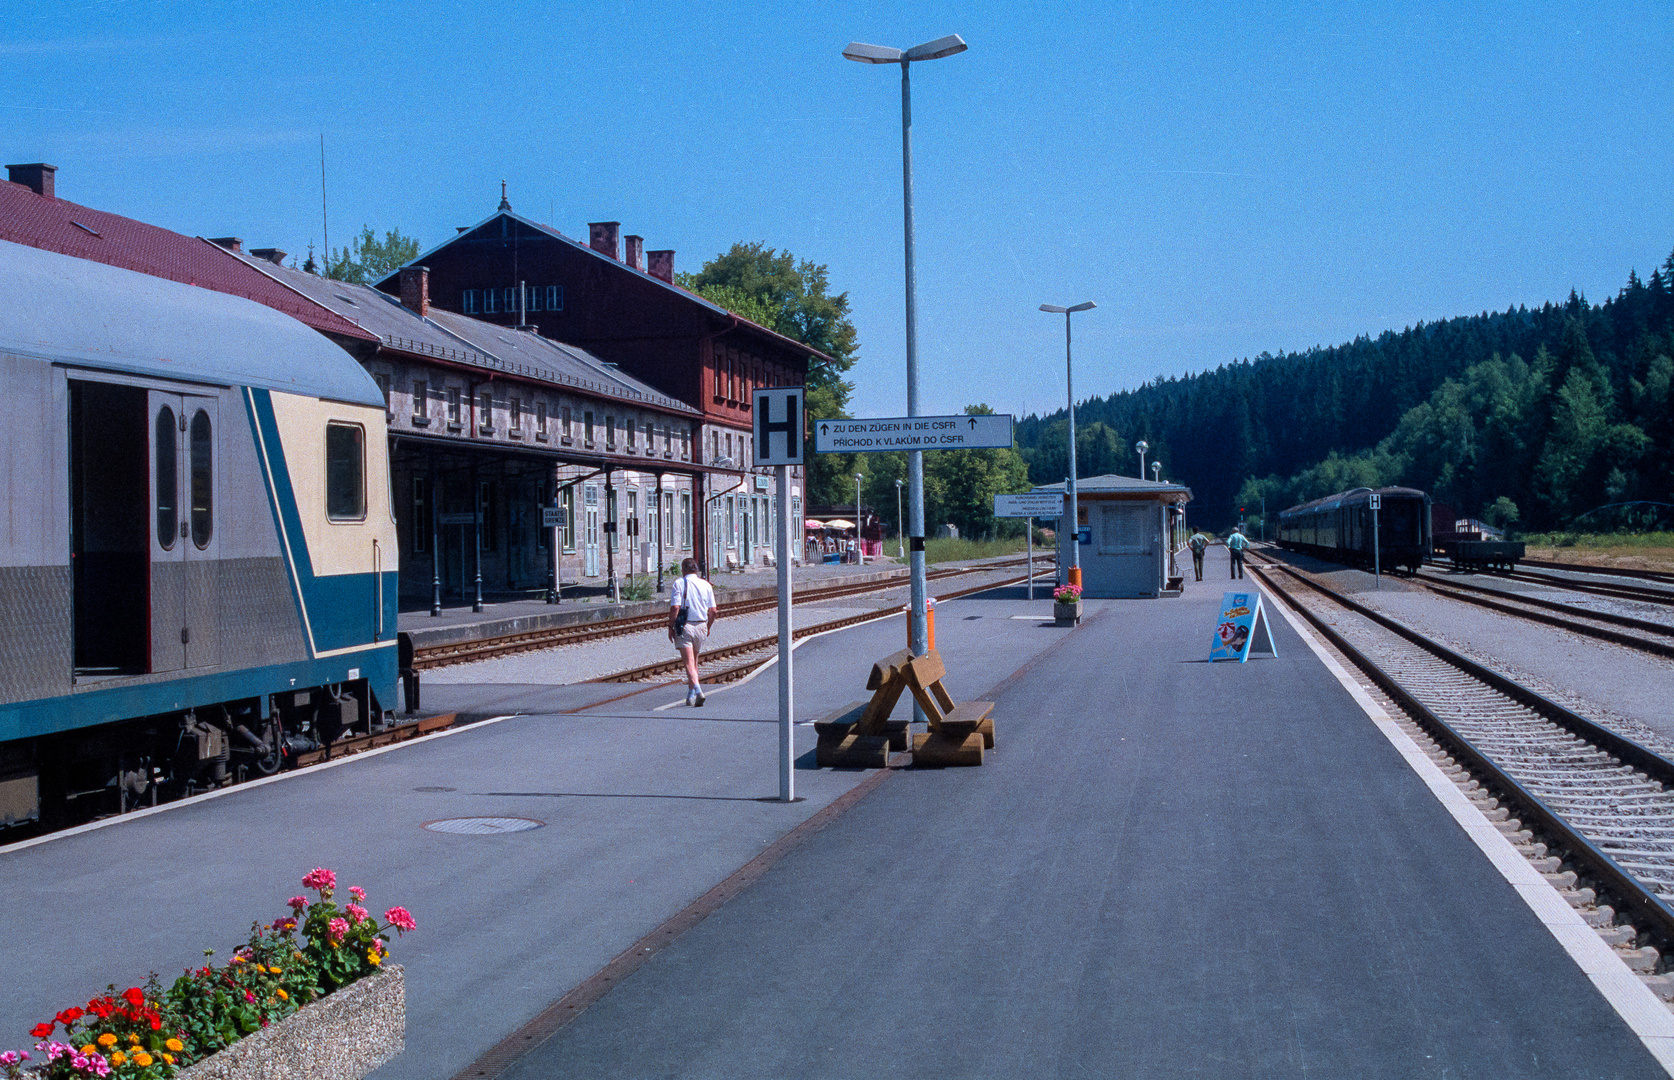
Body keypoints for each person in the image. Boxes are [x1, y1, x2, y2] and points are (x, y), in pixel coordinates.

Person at [668, 556, 718, 706]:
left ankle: (698, 691)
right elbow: (714, 611)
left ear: (683, 569)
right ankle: (690, 696)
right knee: (694, 661)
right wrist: (708, 627)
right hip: (702, 625)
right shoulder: (706, 585)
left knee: (688, 663)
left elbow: (675, 607)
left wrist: (670, 626)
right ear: (696, 569)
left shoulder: (679, 583)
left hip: (685, 626)